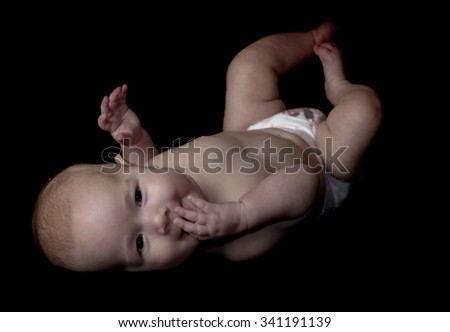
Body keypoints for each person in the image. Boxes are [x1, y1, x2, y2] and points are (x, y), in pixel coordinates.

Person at [32, 22, 382, 272]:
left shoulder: (151, 172)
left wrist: (133, 134)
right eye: (139, 243)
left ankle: (311, 37)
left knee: (246, 66)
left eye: (138, 197)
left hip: (258, 129)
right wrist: (241, 214)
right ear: (141, 272)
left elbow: (148, 163)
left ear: (130, 170)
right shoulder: (236, 238)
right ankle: (341, 86)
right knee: (364, 112)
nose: (159, 219)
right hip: (324, 158)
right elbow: (303, 177)